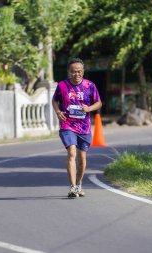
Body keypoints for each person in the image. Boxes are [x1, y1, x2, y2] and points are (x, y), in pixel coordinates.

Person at [52, 58, 102, 198]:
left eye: (79, 71)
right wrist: (58, 111)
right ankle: (72, 187)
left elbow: (98, 103)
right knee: (72, 153)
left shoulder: (90, 86)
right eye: (73, 72)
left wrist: (89, 108)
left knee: (82, 158)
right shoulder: (62, 86)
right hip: (67, 125)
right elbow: (54, 100)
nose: (77, 74)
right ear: (69, 72)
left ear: (83, 71)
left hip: (84, 127)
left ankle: (79, 185)